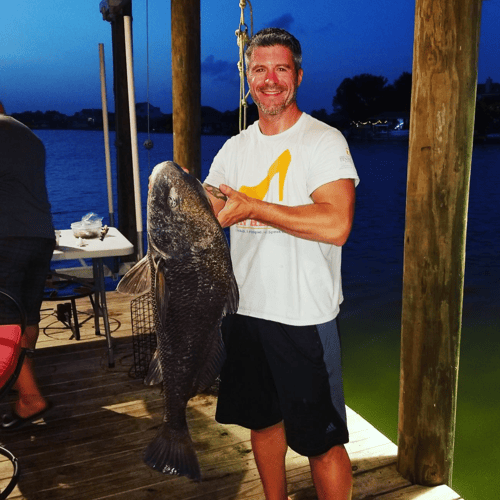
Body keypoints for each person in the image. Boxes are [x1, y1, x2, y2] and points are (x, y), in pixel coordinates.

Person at [203, 28, 359, 500]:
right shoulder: (234, 148)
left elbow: (336, 224)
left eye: (281, 69)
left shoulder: (323, 141)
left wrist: (252, 207)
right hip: (245, 311)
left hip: (303, 316)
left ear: (298, 75)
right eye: (259, 69)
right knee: (262, 421)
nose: (270, 80)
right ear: (247, 77)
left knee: (322, 441)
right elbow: (210, 213)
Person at [0, 101, 55, 429]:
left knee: (4, 319)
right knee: (26, 316)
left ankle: (30, 397)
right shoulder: (29, 135)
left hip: (7, 238)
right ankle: (21, 388)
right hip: (41, 237)